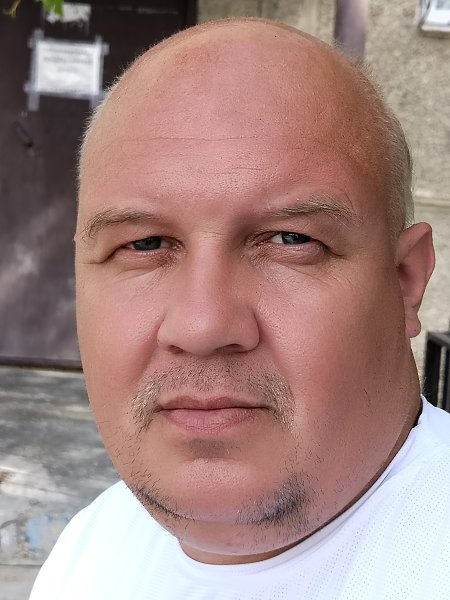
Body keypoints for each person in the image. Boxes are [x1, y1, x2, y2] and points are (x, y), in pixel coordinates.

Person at [30, 17, 450, 600]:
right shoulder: (87, 551)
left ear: (405, 280)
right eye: (144, 245)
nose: (202, 326)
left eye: (291, 240)